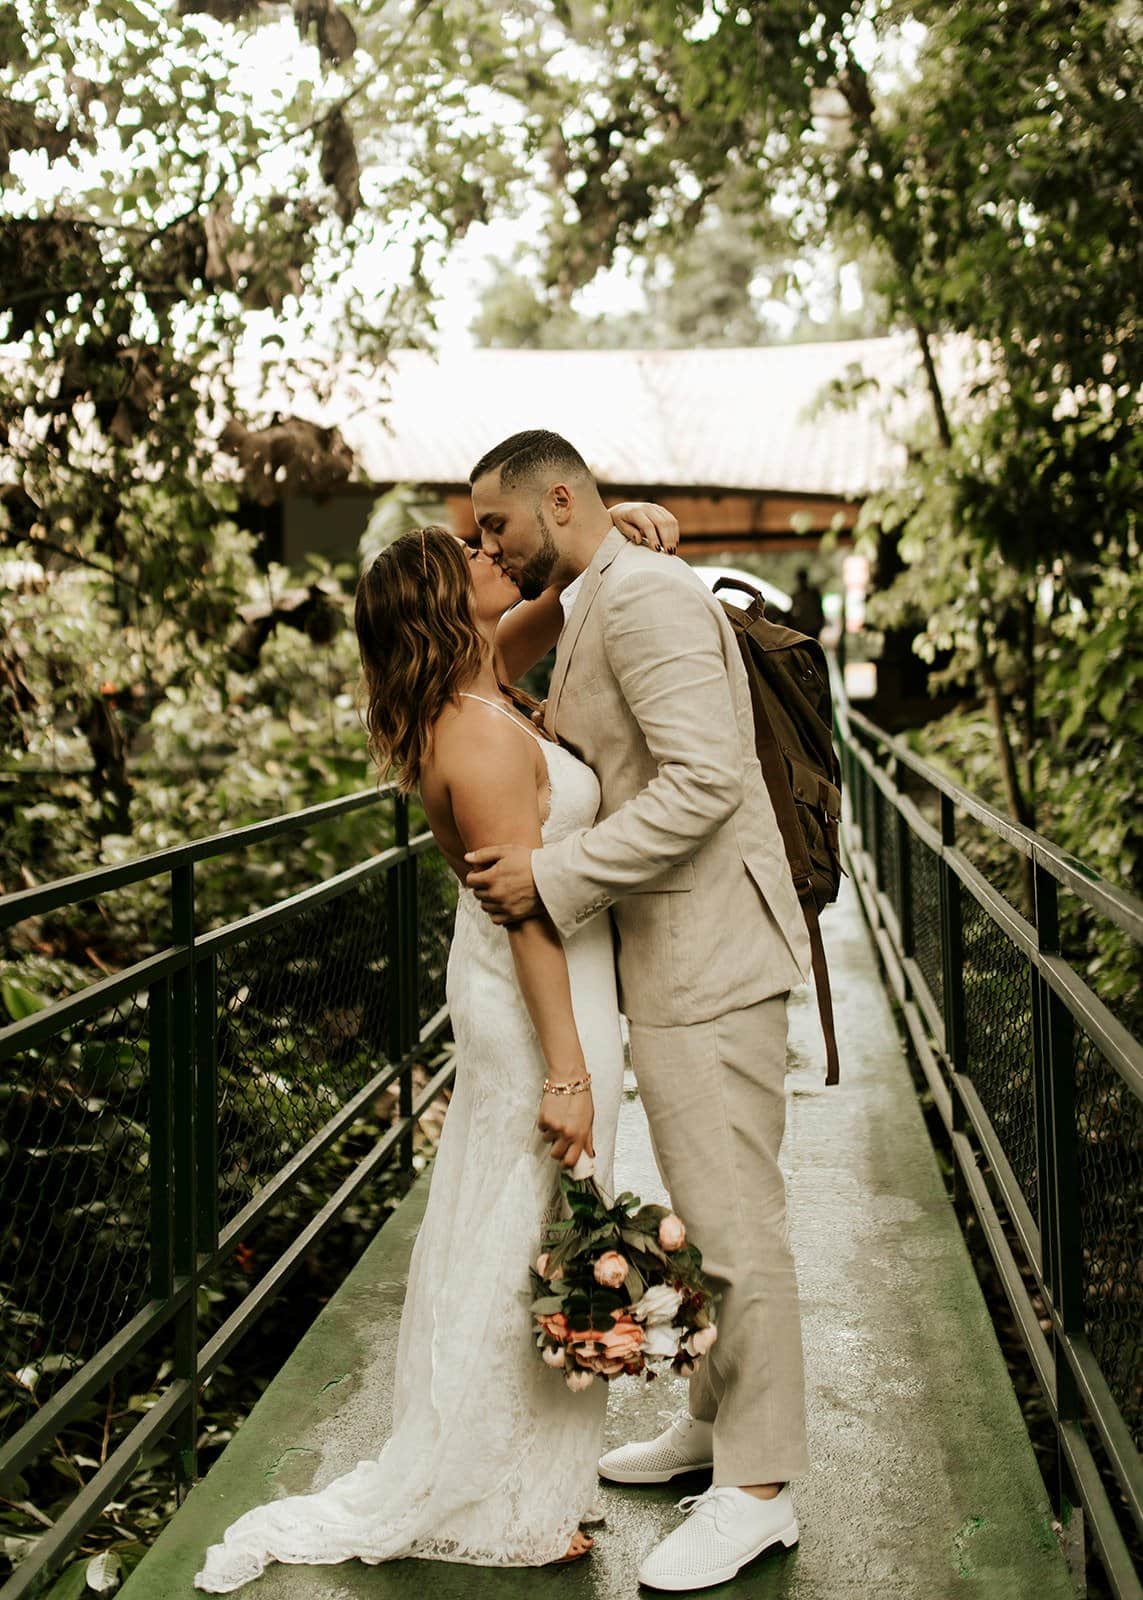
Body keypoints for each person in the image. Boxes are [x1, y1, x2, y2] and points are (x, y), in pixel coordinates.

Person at [192, 499, 679, 1591]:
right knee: (531, 1215)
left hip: (551, 979)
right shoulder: (474, 731)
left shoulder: (477, 673)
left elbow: (558, 590)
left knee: (535, 1213)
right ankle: (501, 1496)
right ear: (438, 604)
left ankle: (525, 1474)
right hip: (533, 992)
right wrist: (569, 1072)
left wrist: (626, 521)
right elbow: (528, 916)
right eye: (467, 554)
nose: (487, 551)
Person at [465, 430, 815, 1593]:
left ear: (555, 499)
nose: (490, 549)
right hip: (667, 961)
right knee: (709, 1215)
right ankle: (715, 1426)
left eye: (497, 527)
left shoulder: (646, 597)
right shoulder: (594, 588)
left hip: (710, 957)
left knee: (738, 1224)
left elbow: (707, 782)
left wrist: (555, 880)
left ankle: (759, 1489)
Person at [787, 566, 826, 639]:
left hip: (810, 627)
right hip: (805, 627)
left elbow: (819, 609)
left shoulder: (812, 593)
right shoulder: (797, 595)